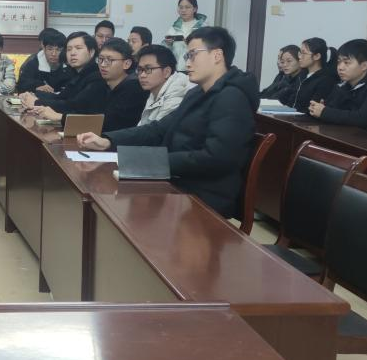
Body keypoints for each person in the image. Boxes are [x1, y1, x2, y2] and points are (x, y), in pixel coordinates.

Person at [77, 26, 257, 218]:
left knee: (123, 208)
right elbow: (159, 129)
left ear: (217, 55)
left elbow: (216, 158)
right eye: (187, 56)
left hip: (204, 195)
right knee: (105, 195)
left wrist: (150, 162)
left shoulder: (232, 98)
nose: (187, 62)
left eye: (192, 55)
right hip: (177, 180)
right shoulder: (197, 93)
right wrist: (107, 140)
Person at [29, 38, 146, 131]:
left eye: (109, 60)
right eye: (101, 59)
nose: (103, 65)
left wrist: (59, 117)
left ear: (126, 64)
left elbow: (109, 124)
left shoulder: (133, 88)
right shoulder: (107, 85)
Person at [18, 32, 103, 116]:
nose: (72, 53)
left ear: (91, 52)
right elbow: (61, 97)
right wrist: (33, 96)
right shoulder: (78, 74)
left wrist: (36, 102)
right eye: (69, 49)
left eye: (78, 48)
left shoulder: (96, 77)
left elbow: (73, 106)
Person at [135, 43, 195, 125]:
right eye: (140, 69)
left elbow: (158, 131)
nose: (142, 75)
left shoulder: (177, 95)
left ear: (167, 72)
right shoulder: (155, 91)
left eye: (148, 69)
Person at [290, 37, 339, 112]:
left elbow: (313, 109)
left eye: (303, 53)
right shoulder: (302, 75)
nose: (299, 57)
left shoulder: (326, 80)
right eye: (300, 53)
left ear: (317, 56)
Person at [16, 27, 69, 94]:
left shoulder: (69, 64)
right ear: (43, 48)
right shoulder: (33, 64)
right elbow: (21, 86)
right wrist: (36, 88)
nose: (54, 54)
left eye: (58, 50)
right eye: (50, 49)